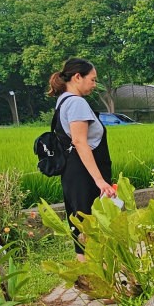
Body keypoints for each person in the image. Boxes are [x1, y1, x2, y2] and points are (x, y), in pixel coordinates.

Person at [47, 57, 117, 261]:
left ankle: (90, 278)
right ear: (78, 77)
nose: (94, 85)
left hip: (73, 173)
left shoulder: (63, 101)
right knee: (93, 224)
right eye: (93, 80)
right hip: (85, 174)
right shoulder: (77, 103)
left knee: (80, 223)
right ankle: (100, 279)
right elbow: (80, 142)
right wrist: (100, 181)